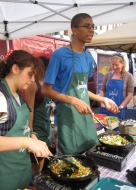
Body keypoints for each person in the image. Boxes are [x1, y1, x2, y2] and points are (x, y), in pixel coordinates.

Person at [42, 13, 119, 156]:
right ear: (74, 30)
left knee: (88, 159)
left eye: (93, 27)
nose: (92, 30)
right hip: (67, 119)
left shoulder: (87, 57)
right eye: (87, 26)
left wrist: (102, 99)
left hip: (85, 119)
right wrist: (73, 100)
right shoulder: (59, 55)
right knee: (67, 164)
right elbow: (46, 90)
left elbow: (81, 89)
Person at [0, 50, 52, 190]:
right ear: (15, 69)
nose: (33, 80)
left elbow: (21, 127)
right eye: (30, 74)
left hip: (22, 172)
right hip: (4, 178)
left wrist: (33, 136)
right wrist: (27, 142)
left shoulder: (18, 92)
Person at [25, 56, 54, 174]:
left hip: (46, 125)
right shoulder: (34, 85)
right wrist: (31, 131)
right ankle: (33, 179)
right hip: (36, 126)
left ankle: (39, 176)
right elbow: (30, 109)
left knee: (43, 155)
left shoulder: (47, 84)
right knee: (34, 158)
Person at [99, 53, 134, 120]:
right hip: (106, 108)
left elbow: (130, 95)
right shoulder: (107, 75)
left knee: (117, 129)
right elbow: (102, 90)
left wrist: (121, 107)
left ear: (123, 63)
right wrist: (102, 104)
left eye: (117, 65)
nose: (114, 67)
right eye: (113, 65)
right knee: (104, 129)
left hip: (119, 110)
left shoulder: (128, 76)